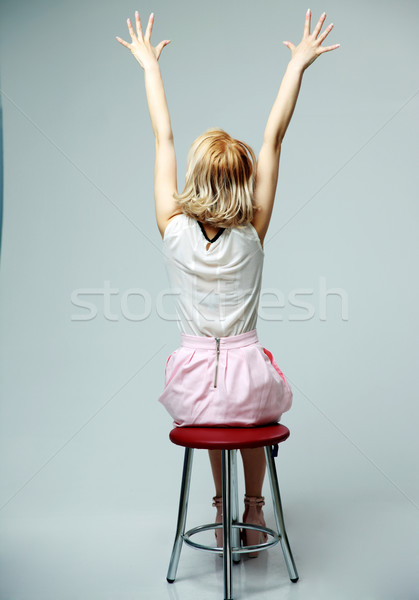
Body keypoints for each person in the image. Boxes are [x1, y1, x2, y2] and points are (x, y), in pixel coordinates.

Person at [116, 8, 339, 556]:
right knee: (247, 411)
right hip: (247, 374)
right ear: (242, 183)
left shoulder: (172, 227)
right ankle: (254, 507)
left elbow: (162, 136)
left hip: (193, 380)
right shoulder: (253, 232)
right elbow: (274, 138)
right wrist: (298, 66)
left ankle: (219, 509)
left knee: (214, 410)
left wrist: (149, 65)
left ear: (195, 177)